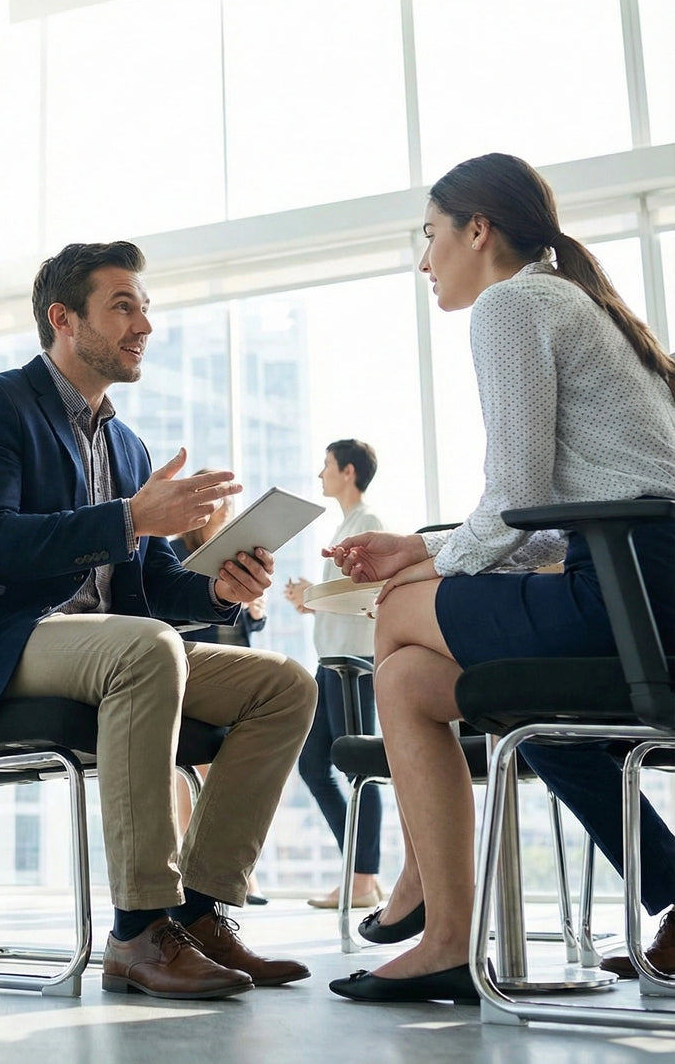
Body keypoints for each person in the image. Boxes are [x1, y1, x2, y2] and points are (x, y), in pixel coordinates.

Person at [0, 240, 317, 999]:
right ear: (63, 319)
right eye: (123, 306)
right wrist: (127, 518)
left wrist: (219, 588)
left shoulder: (125, 443)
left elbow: (147, 588)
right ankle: (138, 930)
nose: (144, 324)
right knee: (146, 649)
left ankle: (198, 913)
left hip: (114, 648)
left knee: (283, 684)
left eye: (144, 306)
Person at [324, 152, 675, 1004]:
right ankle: (442, 920)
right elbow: (558, 515)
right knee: (411, 676)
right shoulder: (579, 303)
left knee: (399, 614)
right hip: (646, 589)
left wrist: (423, 563)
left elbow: (517, 495)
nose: (424, 259)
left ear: (477, 231)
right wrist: (426, 548)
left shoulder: (513, 304)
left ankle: (434, 913)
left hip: (635, 596)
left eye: (431, 235)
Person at [284, 439, 383, 911]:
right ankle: (360, 873)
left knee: (360, 767)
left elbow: (368, 594)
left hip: (351, 667)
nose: (319, 473)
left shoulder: (368, 524)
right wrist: (313, 601)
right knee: (311, 765)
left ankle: (363, 881)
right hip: (331, 664)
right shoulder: (345, 525)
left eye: (325, 465)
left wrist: (314, 593)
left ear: (347, 471)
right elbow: (344, 601)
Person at [170, 481, 269, 904]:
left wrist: (256, 611)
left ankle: (227, 869)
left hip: (233, 657)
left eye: (231, 503)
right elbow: (166, 603)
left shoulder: (238, 553)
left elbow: (246, 622)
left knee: (225, 763)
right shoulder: (175, 550)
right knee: (194, 766)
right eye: (221, 503)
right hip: (192, 658)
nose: (228, 509)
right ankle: (192, 865)